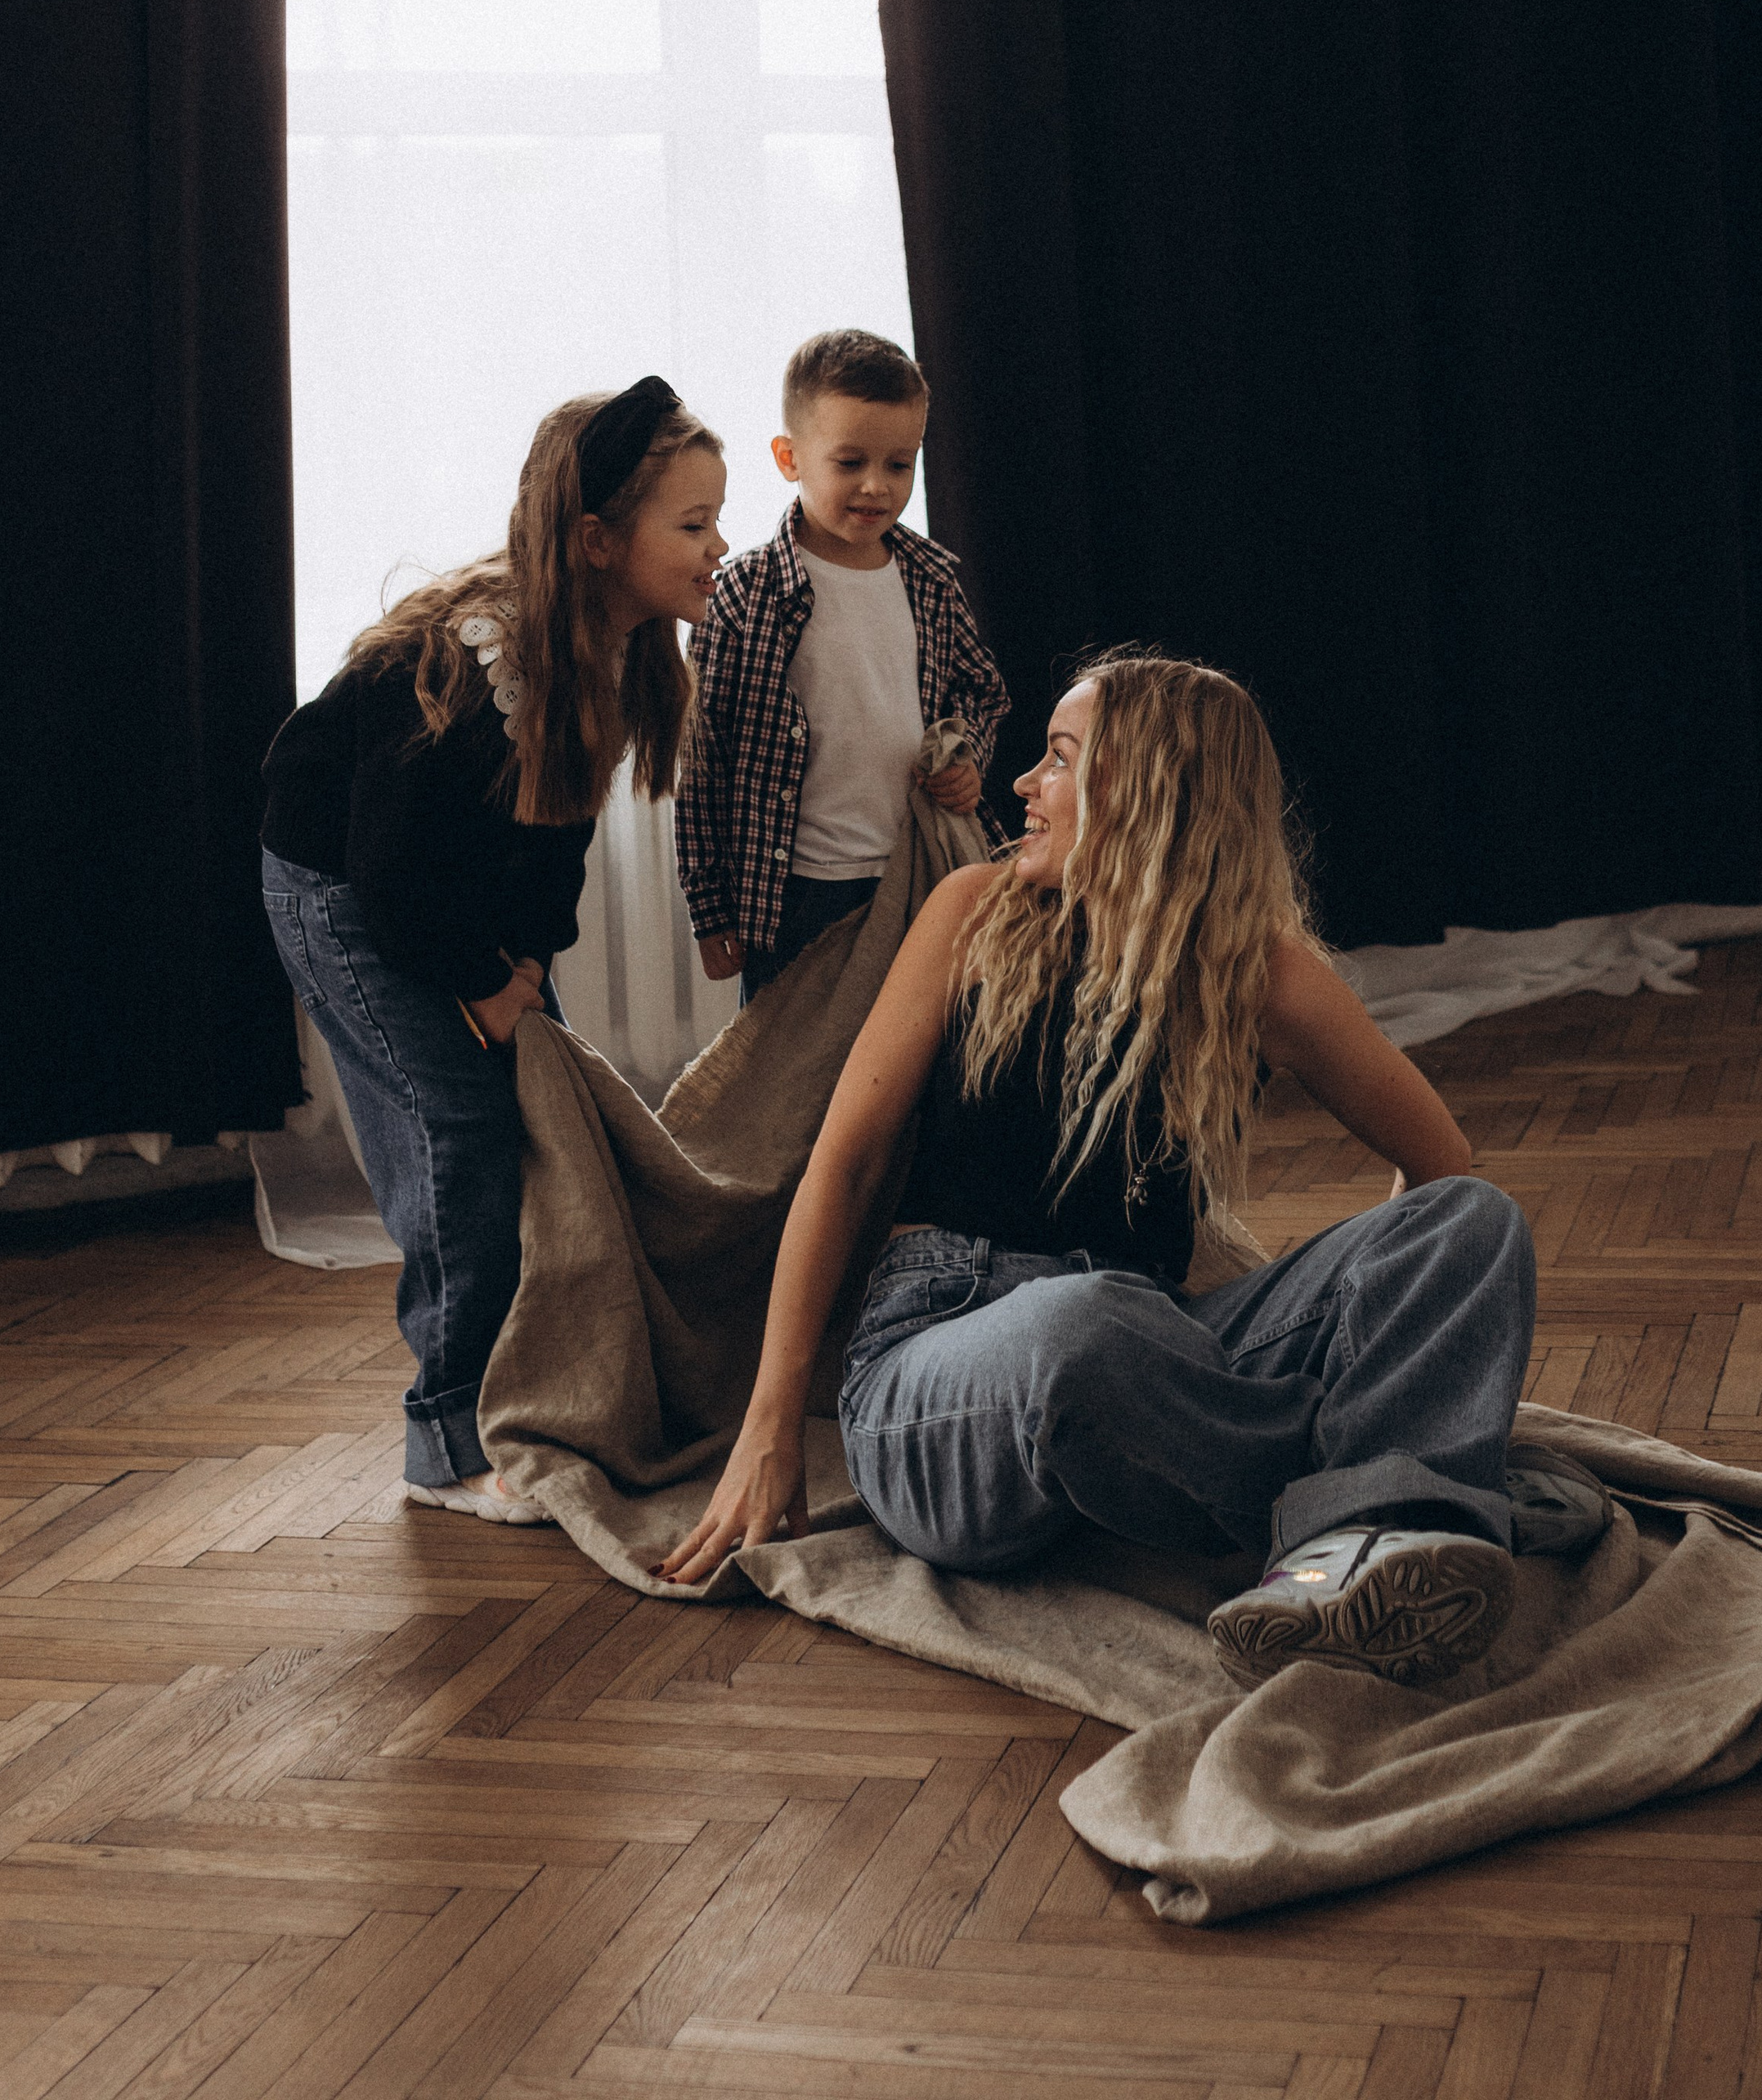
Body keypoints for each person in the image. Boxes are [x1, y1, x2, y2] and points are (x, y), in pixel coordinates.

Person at [659, 652, 1542, 1687]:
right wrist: (770, 1422)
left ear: (1148, 795)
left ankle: (1360, 1528)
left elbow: (1435, 1171)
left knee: (1473, 1224)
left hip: (1150, 1359)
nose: (1024, 784)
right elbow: (844, 1168)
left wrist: (1365, 1321)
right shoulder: (971, 910)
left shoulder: (1259, 970)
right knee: (1079, 1324)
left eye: (1060, 760)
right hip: (943, 1371)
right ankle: (1392, 1493)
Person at [261, 378, 727, 1520]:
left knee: (548, 1118)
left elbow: (550, 846)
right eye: (695, 525)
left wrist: (527, 967)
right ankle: (449, 1439)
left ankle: (558, 1382)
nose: (721, 546)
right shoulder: (485, 658)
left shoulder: (617, 644)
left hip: (445, 896)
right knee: (459, 1131)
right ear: (597, 541)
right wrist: (485, 983)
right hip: (349, 894)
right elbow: (394, 870)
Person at [675, 329, 1010, 1002]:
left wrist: (965, 754)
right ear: (789, 457)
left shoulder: (932, 580)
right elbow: (702, 758)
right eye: (851, 461)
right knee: (789, 1074)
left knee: (920, 1052)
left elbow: (982, 689)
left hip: (916, 868)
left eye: (900, 465)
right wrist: (709, 907)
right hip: (794, 891)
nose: (876, 486)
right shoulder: (745, 593)